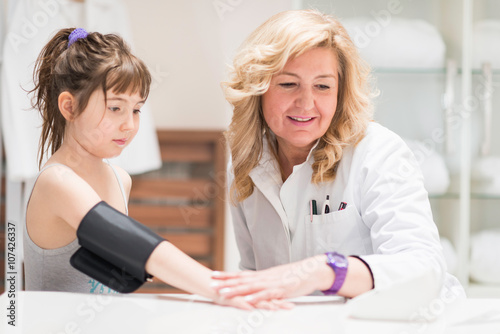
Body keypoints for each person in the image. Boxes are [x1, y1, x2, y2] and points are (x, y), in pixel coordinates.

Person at [24, 27, 290, 310]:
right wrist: (223, 288)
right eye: (116, 108)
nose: (129, 124)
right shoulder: (57, 181)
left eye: (136, 110)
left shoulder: (119, 180)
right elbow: (129, 242)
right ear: (69, 106)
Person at [212, 9, 464, 303]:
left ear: (340, 93)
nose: (306, 103)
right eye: (288, 83)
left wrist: (326, 270)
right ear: (258, 89)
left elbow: (425, 269)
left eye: (322, 86)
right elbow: (257, 275)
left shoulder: (378, 153)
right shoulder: (246, 164)